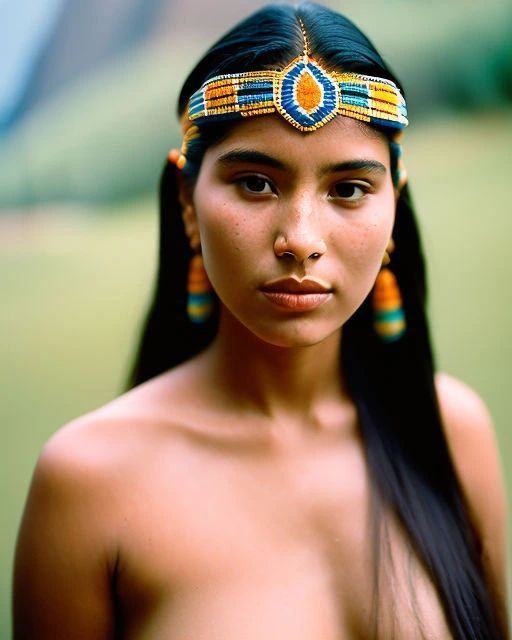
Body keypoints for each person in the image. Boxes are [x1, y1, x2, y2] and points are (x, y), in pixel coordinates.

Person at [12, 2, 509, 638]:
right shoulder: (89, 483)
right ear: (188, 205)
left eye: (349, 189)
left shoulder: (451, 434)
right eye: (255, 183)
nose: (300, 239)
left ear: (395, 208)